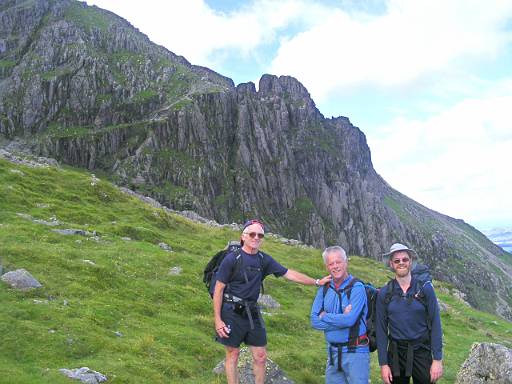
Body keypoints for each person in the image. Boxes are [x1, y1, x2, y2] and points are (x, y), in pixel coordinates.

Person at [213, 219, 331, 384]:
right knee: (233, 354)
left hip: (252, 313)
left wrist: (317, 282)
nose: (256, 238)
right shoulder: (232, 259)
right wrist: (218, 319)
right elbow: (219, 289)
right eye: (252, 234)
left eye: (260, 235)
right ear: (243, 237)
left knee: (260, 357)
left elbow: (289, 274)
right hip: (231, 312)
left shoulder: (264, 259)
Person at [376, 243, 443, 384]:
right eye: (397, 261)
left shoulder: (425, 289)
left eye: (405, 259)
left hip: (421, 352)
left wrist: (437, 360)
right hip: (395, 354)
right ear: (391, 264)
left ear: (411, 261)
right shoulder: (384, 293)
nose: (401, 263)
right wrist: (383, 364)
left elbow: (436, 323)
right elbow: (381, 330)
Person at [310, 246, 370, 384]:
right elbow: (314, 321)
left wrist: (325, 316)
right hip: (333, 353)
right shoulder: (324, 288)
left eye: (338, 262)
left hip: (356, 352)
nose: (335, 266)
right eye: (331, 263)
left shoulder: (357, 288)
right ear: (327, 267)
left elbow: (349, 320)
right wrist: (341, 318)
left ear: (346, 262)